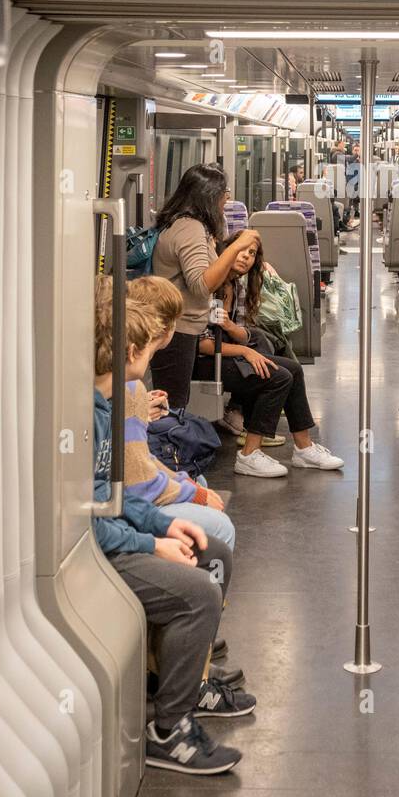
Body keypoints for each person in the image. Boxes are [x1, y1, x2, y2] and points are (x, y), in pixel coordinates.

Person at [91, 286, 255, 775]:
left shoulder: (108, 406)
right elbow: (87, 513)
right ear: (132, 351)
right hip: (101, 545)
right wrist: (151, 542)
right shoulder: (96, 414)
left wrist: (166, 524)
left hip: (122, 529)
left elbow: (113, 493)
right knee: (200, 592)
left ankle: (188, 683)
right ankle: (170, 728)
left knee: (212, 549)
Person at [193, 229, 345, 478]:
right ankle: (249, 455)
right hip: (207, 362)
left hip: (228, 355)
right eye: (241, 250)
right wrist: (245, 351)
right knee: (278, 377)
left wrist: (232, 329)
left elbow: (243, 332)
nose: (245, 257)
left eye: (251, 254)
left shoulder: (236, 286)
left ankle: (304, 447)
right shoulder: (212, 285)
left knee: (293, 370)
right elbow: (203, 344)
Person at [122, 275, 236, 549]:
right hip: (127, 502)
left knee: (199, 479)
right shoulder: (129, 384)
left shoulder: (130, 383)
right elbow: (138, 479)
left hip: (132, 485)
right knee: (221, 526)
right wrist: (193, 493)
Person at [148, 164, 261, 409]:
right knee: (172, 406)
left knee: (175, 402)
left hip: (182, 328)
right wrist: (236, 246)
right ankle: (170, 446)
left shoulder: (186, 225)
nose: (226, 199)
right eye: (224, 193)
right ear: (210, 196)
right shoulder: (189, 228)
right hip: (177, 330)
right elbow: (201, 285)